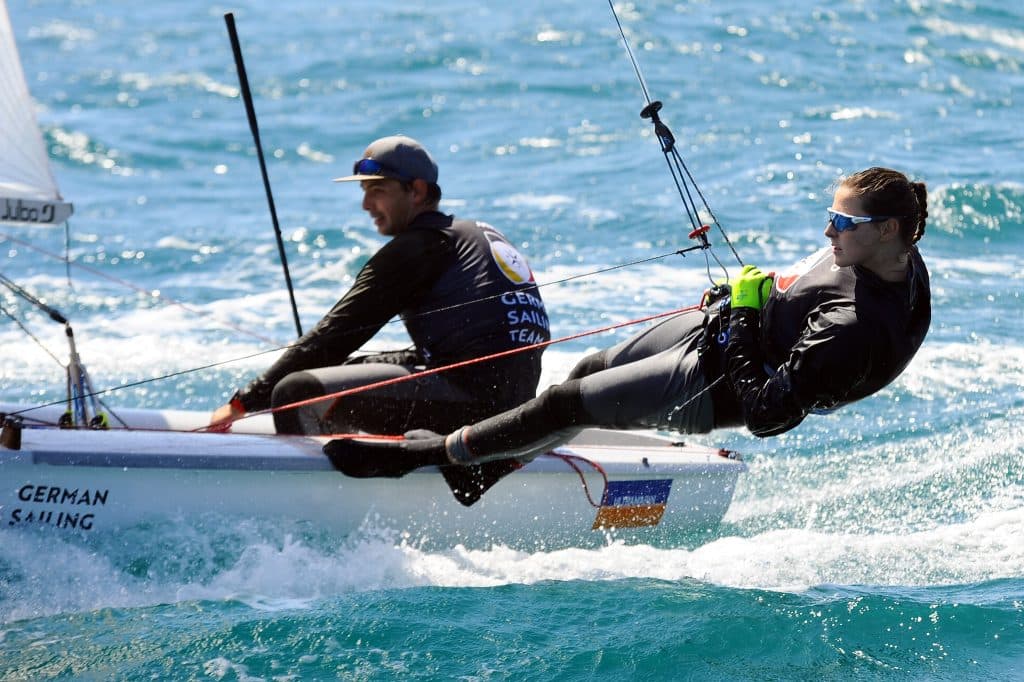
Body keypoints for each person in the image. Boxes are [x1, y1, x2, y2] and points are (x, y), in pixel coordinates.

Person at [327, 166, 931, 482]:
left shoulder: (857, 328)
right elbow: (805, 293)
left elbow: (768, 415)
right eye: (830, 215)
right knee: (591, 369)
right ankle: (502, 457)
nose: (829, 231)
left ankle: (439, 456)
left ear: (887, 230)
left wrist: (746, 316)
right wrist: (744, 301)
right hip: (726, 332)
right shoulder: (886, 247)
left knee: (569, 402)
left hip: (720, 381)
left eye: (842, 222)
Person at [210, 135, 550, 437]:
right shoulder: (473, 234)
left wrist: (242, 402)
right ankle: (368, 458)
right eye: (364, 192)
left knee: (296, 392)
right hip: (512, 403)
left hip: (475, 406)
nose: (365, 204)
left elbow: (335, 334)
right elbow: (479, 347)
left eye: (378, 190)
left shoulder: (419, 246)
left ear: (416, 191)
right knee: (336, 371)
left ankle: (332, 496)